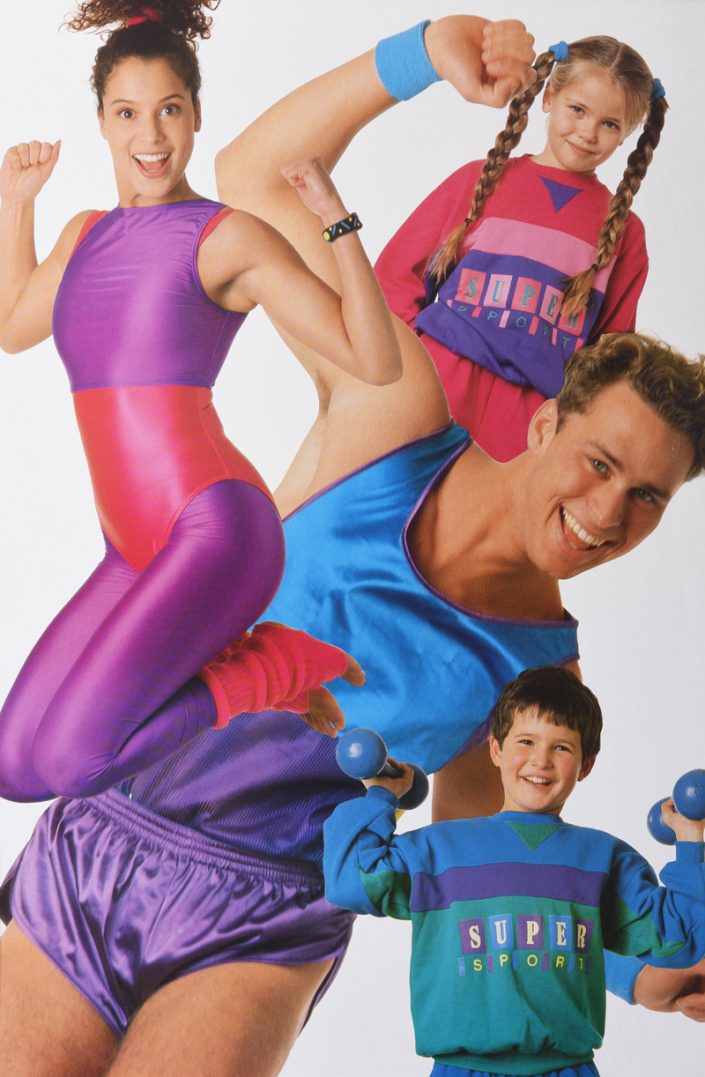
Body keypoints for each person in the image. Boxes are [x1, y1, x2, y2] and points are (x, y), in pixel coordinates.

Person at [1, 14, 703, 1077]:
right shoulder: (395, 421)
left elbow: (487, 873)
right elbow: (254, 171)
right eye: (600, 464)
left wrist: (638, 969)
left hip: (264, 921)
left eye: (648, 498)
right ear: (548, 422)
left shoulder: (537, 674)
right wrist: (422, 53)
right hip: (105, 826)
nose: (608, 513)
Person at [0, 0, 403, 803]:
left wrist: (337, 223)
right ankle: (255, 666)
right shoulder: (83, 235)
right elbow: (13, 327)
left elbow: (375, 359)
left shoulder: (223, 237)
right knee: (16, 766)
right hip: (131, 547)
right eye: (128, 113)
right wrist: (17, 203)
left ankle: (273, 665)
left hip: (217, 530)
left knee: (77, 761)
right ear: (102, 120)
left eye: (169, 110)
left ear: (195, 115)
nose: (150, 136)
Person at [324, 666, 705, 1076]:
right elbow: (350, 880)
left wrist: (690, 838)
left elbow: (683, 937)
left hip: (568, 1068)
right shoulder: (439, 851)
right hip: (461, 1068)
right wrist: (381, 796)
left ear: (586, 765)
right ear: (496, 749)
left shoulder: (604, 859)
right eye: (526, 741)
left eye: (562, 747)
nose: (541, 760)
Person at [375, 30, 665, 462]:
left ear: (627, 134)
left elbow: (611, 353)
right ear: (549, 97)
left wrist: (570, 424)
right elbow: (396, 276)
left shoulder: (626, 233)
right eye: (578, 110)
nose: (588, 132)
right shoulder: (481, 179)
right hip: (437, 382)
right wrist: (408, 366)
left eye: (609, 124)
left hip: (529, 423)